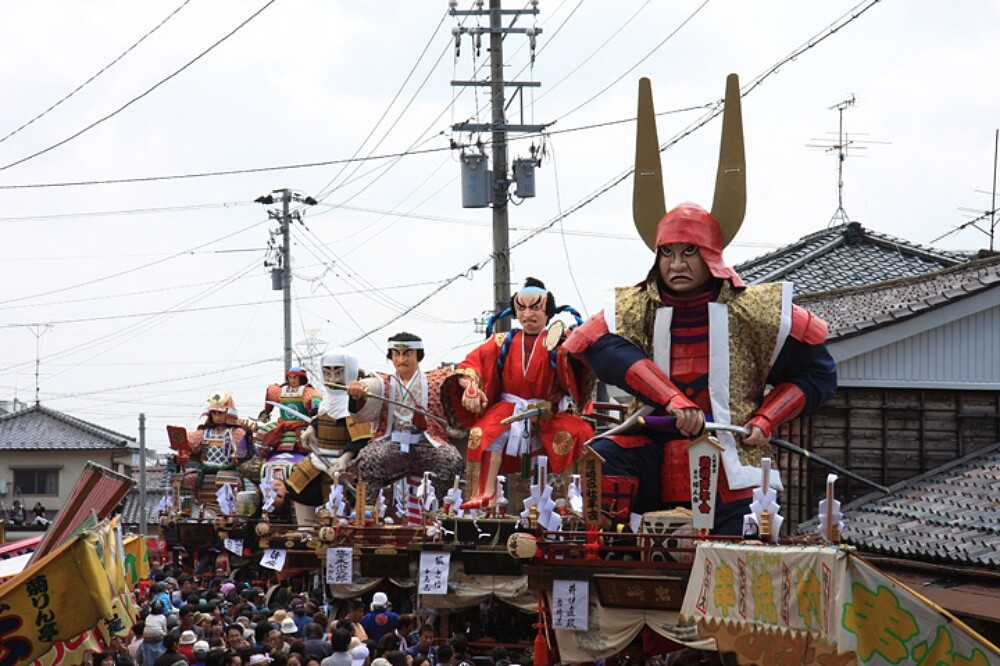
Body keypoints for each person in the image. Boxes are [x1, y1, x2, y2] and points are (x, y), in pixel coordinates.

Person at [563, 75, 837, 536]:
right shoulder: (635, 306)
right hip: (652, 445)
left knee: (733, 540)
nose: (677, 264)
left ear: (710, 255)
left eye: (689, 251)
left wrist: (766, 418)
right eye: (668, 253)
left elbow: (819, 373)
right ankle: (608, 551)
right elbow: (598, 348)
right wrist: (671, 400)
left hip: (730, 453)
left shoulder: (755, 310)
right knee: (601, 459)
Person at [441, 278, 595, 511]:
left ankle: (575, 499)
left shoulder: (559, 342)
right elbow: (472, 364)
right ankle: (484, 493)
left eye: (535, 307)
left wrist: (571, 350)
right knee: (482, 433)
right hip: (508, 408)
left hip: (547, 411)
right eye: (521, 308)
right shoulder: (502, 341)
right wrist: (470, 386)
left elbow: (577, 373)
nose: (528, 314)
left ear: (548, 311)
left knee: (578, 434)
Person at [348, 333, 465, 504]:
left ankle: (441, 510)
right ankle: (367, 510)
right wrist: (357, 393)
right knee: (368, 459)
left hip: (427, 443)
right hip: (392, 443)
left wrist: (467, 387)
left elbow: (458, 382)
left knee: (451, 461)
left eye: (407, 354)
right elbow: (368, 390)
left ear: (418, 355)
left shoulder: (437, 381)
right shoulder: (383, 383)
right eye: (396, 354)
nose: (401, 359)